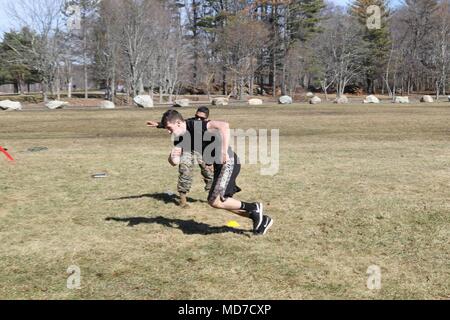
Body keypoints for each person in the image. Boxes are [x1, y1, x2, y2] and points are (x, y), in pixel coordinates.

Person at [153, 109, 274, 235]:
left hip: (228, 161)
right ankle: (261, 219)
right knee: (221, 202)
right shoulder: (180, 138)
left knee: (215, 200)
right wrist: (172, 157)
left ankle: (254, 208)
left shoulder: (194, 125)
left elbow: (224, 126)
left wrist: (222, 151)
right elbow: (175, 161)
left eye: (169, 128)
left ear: (178, 123)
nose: (168, 132)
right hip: (218, 166)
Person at [147, 107, 214, 208]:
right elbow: (174, 123)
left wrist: (211, 159)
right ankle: (183, 200)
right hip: (187, 148)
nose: (198, 119)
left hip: (202, 151)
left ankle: (213, 196)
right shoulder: (190, 122)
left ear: (207, 119)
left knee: (209, 173)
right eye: (196, 116)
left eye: (201, 118)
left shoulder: (208, 127)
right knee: (185, 171)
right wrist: (159, 124)